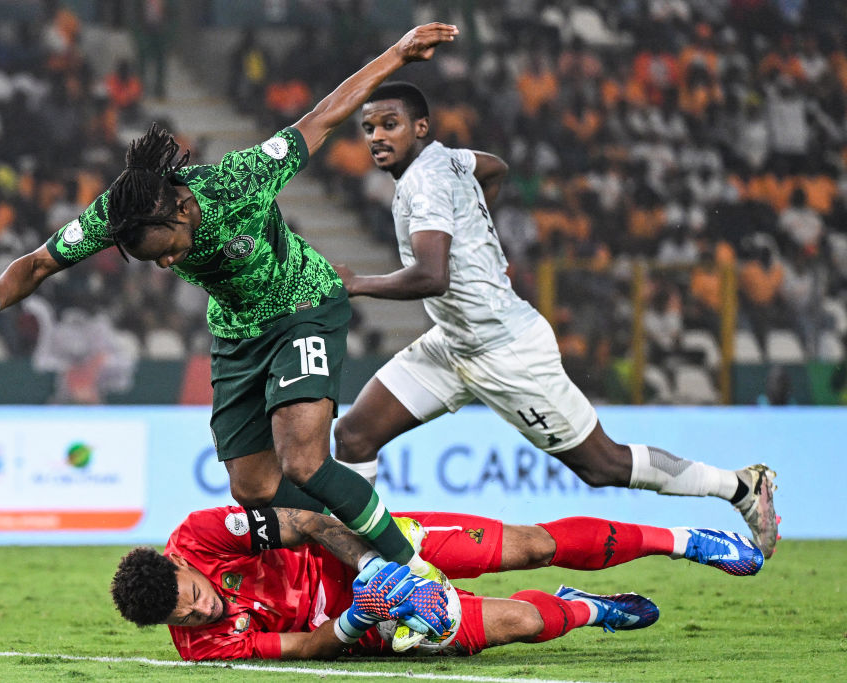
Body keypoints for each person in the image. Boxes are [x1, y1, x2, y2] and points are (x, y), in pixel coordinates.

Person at [0, 23, 461, 619]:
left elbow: (322, 117)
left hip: (303, 308)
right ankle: (367, 535)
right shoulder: (118, 214)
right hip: (237, 333)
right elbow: (36, 263)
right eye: (152, 260)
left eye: (166, 250)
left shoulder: (238, 182)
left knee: (303, 461)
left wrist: (397, 53)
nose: (165, 264)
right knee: (253, 489)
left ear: (183, 208)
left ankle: (416, 574)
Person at [330, 81, 780, 558]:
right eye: (369, 128)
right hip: (453, 343)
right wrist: (472, 228)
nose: (377, 137)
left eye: (390, 124)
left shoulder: (424, 181)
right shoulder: (448, 160)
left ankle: (740, 486)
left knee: (603, 465)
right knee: (354, 434)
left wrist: (356, 283)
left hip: (506, 351)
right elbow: (495, 167)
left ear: (420, 127)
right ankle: (363, 563)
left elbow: (431, 276)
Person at [110, 505, 763, 660]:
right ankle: (589, 609)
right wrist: (359, 616)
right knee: (524, 622)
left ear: (180, 565)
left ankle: (686, 540)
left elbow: (308, 521)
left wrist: (376, 567)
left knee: (531, 546)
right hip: (362, 620)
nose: (203, 610)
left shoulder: (202, 534)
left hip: (369, 550)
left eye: (194, 595)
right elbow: (304, 647)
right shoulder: (200, 645)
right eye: (185, 618)